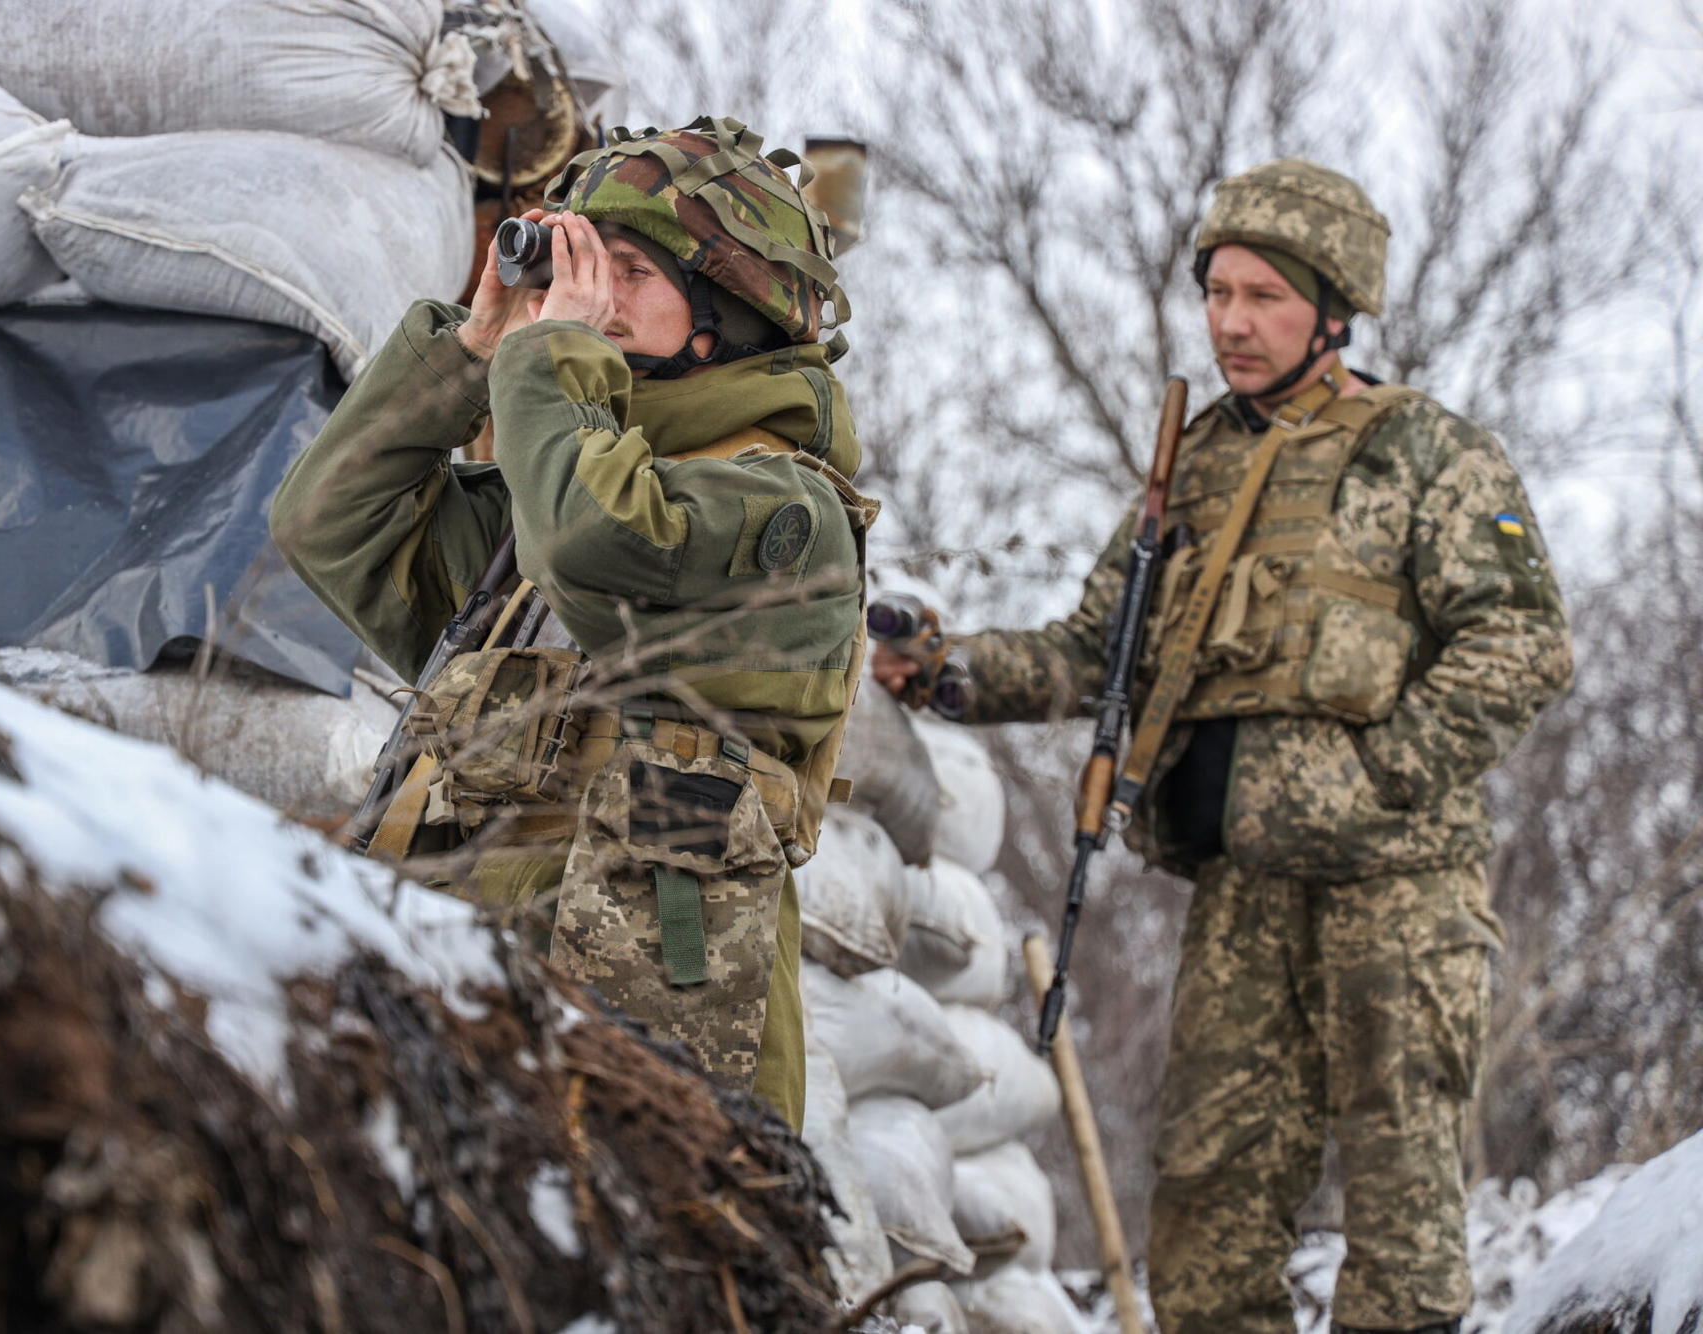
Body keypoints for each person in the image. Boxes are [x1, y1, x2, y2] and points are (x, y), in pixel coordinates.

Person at [872, 159, 1572, 1333]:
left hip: (1394, 892)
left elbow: (1520, 643)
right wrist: (944, 670)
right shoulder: (1189, 467)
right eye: (1217, 292)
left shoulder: (1424, 453)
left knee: (1401, 1213)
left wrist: (1378, 776)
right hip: (1239, 893)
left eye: (1262, 296)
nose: (1229, 322)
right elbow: (1095, 648)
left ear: (1331, 312)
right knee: (1206, 1204)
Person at [270, 117, 871, 1131]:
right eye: (579, 263)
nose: (588, 292)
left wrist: (551, 360)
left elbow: (601, 547)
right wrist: (473, 349)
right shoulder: (539, 515)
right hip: (459, 1038)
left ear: (724, 311)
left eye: (628, 268)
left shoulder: (783, 515)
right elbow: (326, 522)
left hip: (648, 1066)